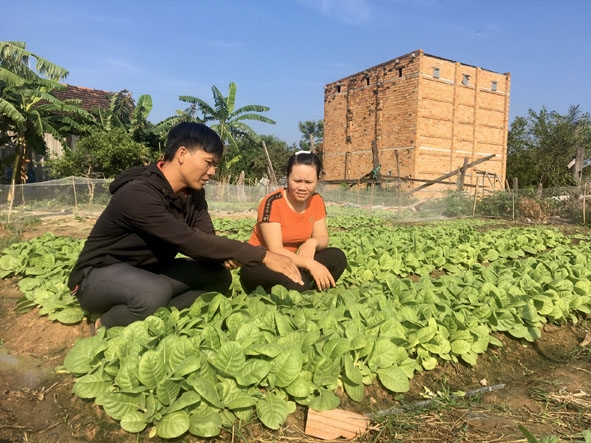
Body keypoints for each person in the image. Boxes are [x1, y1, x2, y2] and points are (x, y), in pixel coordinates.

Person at [68, 122, 302, 330]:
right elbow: (189, 240)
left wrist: (225, 256)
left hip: (150, 272)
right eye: (208, 163)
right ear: (182, 154)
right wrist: (262, 256)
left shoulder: (193, 193)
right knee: (152, 292)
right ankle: (105, 323)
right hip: (97, 276)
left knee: (218, 277)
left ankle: (152, 307)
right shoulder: (137, 193)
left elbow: (205, 237)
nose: (212, 172)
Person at [239, 151, 347, 293]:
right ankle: (291, 290)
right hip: (262, 263)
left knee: (337, 257)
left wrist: (312, 242)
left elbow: (323, 237)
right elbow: (275, 250)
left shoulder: (316, 200)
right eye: (296, 181)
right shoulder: (272, 203)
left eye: (309, 182)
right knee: (299, 284)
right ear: (287, 177)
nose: (302, 188)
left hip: (295, 261)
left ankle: (310, 292)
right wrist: (311, 264)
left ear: (318, 180)